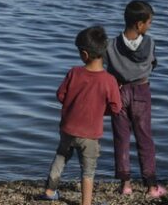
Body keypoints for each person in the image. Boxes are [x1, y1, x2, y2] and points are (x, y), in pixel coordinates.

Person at [40, 26, 122, 205]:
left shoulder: (74, 72)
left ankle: (49, 190)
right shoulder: (109, 81)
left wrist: (74, 103)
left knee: (61, 157)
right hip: (90, 135)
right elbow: (116, 108)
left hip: (68, 129)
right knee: (88, 171)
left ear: (84, 54)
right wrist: (100, 109)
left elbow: (60, 95)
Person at [105, 0, 167, 197]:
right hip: (141, 90)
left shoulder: (111, 44)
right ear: (140, 24)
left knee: (121, 138)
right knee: (145, 138)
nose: (150, 26)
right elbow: (153, 63)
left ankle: (126, 185)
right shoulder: (150, 43)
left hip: (118, 91)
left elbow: (105, 67)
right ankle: (150, 186)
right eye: (149, 23)